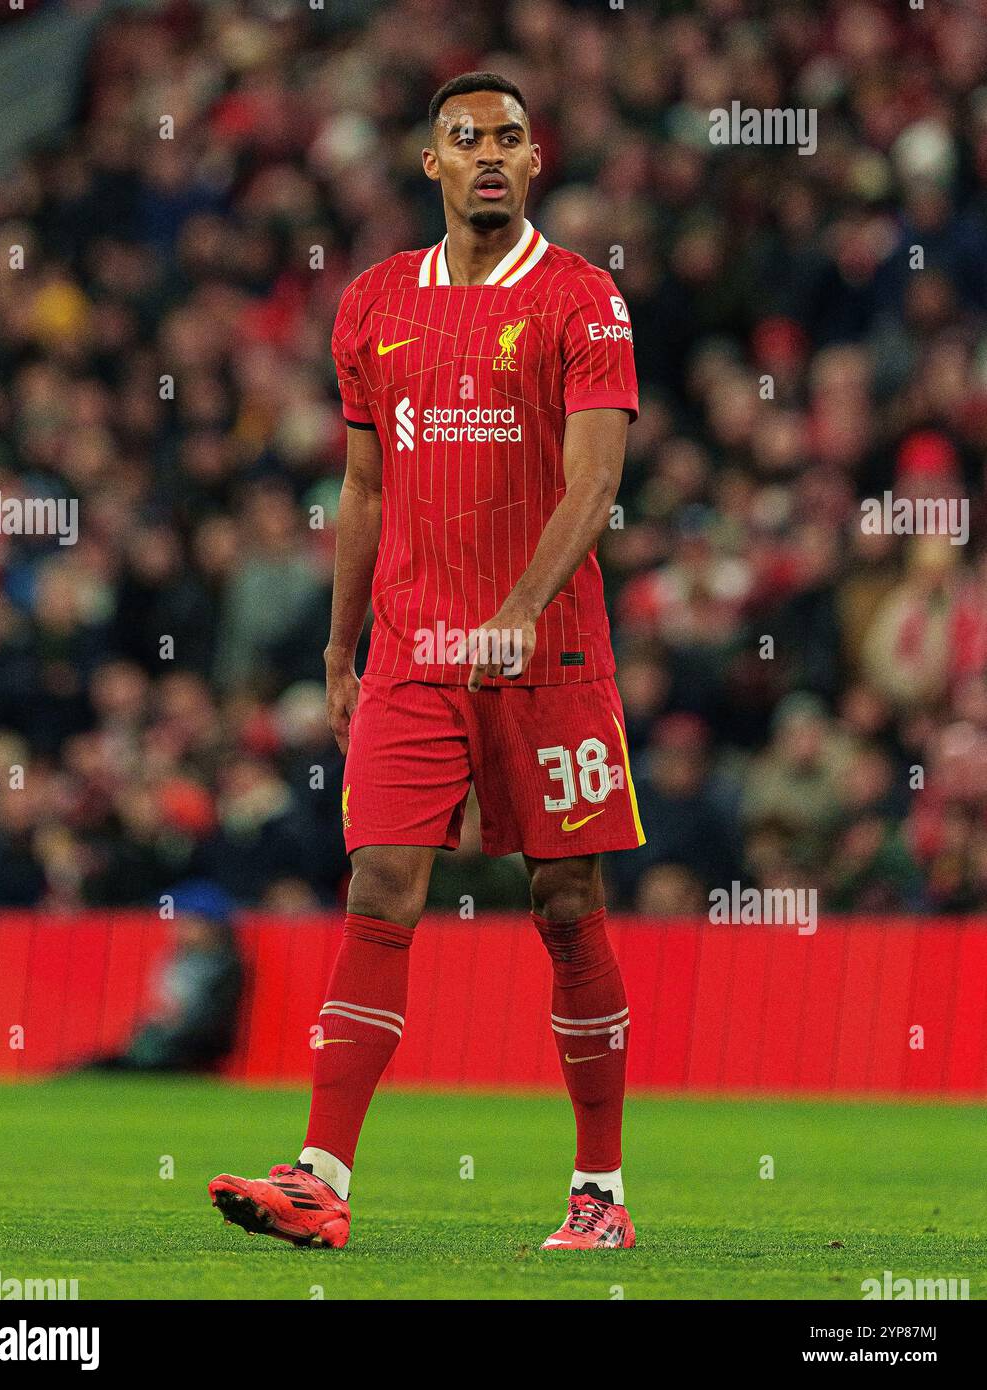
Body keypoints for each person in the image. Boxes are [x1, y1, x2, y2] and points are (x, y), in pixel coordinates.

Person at [210, 72, 643, 1251]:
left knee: (564, 903)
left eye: (507, 137)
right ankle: (321, 1173)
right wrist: (341, 642)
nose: (487, 155)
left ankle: (599, 1192)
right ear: (430, 164)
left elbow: (594, 482)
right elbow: (360, 488)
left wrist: (517, 605)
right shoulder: (371, 304)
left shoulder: (583, 300)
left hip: (549, 654)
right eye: (465, 139)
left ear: (536, 158)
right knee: (379, 886)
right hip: (412, 650)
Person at [85, 880, 244, 1072]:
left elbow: (208, 1021)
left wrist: (169, 1029)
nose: (179, 927)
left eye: (188, 922)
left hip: (191, 1047)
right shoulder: (177, 959)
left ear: (211, 926)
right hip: (165, 1039)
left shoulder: (223, 966)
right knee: (101, 1066)